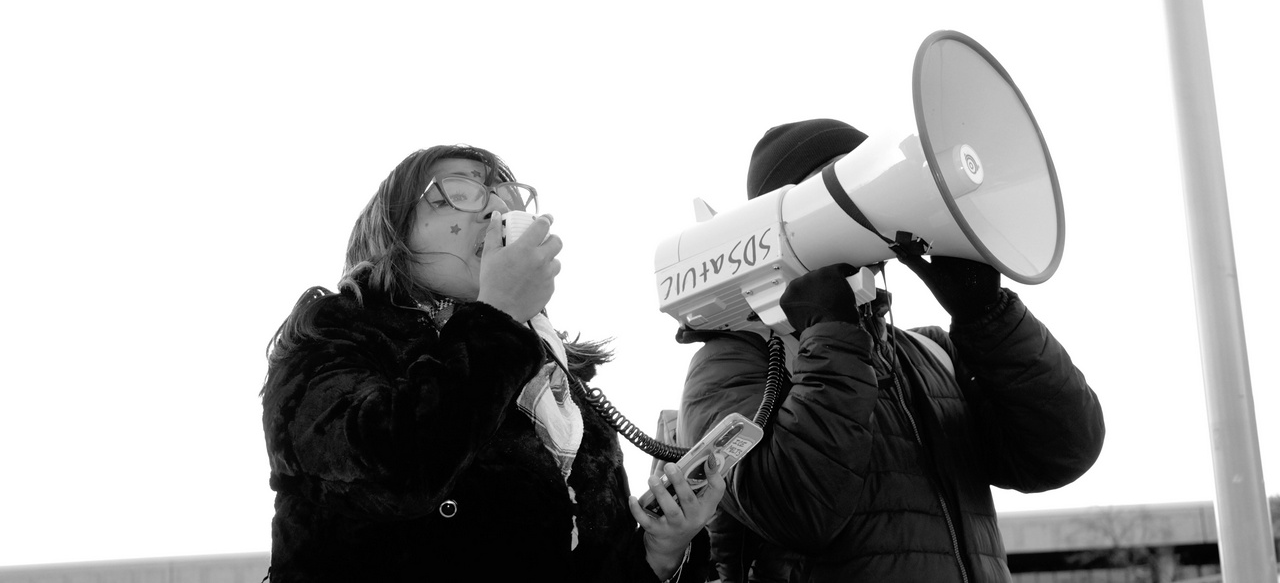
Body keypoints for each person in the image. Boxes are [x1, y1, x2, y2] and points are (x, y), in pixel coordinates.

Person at [262, 144, 724, 583]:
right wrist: (498, 316)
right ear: (392, 231)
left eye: (507, 197)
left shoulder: (547, 373)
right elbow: (399, 472)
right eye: (458, 194)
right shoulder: (331, 337)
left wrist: (662, 553)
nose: (494, 210)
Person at [676, 119, 1106, 582]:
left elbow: (1062, 451)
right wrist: (831, 333)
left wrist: (989, 319)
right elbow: (797, 508)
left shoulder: (932, 353)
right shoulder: (732, 363)